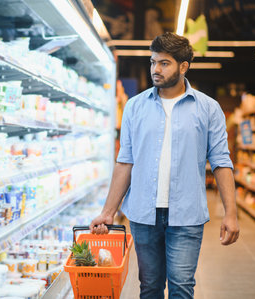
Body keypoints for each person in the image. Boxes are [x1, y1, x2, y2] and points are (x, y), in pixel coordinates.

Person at [89, 32, 240, 299]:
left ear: (184, 67)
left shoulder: (208, 108)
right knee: (149, 287)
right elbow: (126, 161)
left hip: (186, 215)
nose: (155, 69)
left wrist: (231, 213)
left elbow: (221, 162)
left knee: (182, 287)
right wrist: (108, 212)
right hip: (143, 214)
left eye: (164, 63)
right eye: (153, 61)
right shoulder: (135, 107)